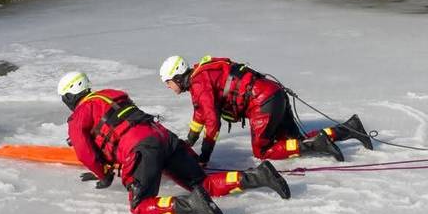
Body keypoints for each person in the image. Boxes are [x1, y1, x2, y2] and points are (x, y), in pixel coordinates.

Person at [57, 71, 290, 214]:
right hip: (164, 137)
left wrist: (103, 174)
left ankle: (192, 204)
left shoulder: (79, 115)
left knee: (139, 206)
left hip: (142, 149)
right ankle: (260, 175)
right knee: (205, 184)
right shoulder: (111, 94)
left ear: (69, 97)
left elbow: (84, 151)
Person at [159, 55, 373, 167]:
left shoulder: (199, 83)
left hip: (261, 103)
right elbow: (200, 114)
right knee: (293, 140)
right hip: (273, 94)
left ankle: (319, 144)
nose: (169, 87)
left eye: (168, 83)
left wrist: (204, 156)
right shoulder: (200, 75)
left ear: (177, 76)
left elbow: (213, 122)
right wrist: (190, 140)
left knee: (263, 151)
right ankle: (349, 129)